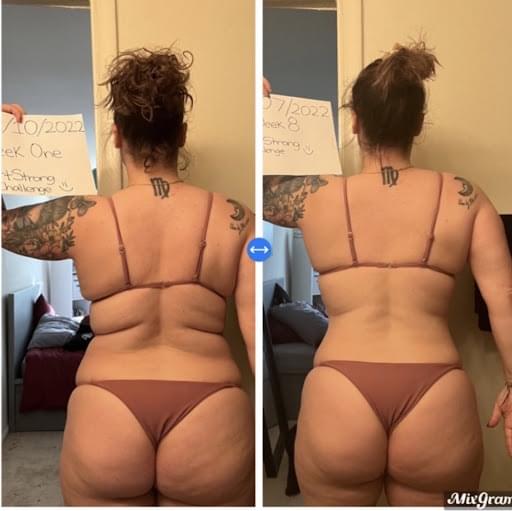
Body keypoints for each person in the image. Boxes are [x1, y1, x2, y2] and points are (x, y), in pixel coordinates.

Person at [2, 47, 255, 506]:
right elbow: (254, 333)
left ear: (116, 136)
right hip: (210, 407)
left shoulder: (80, 218)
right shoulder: (238, 220)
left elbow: (3, 228)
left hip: (108, 407)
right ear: (182, 133)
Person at [263, 41, 512, 505]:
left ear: (354, 121)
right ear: (419, 123)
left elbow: (260, 193)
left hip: (340, 388)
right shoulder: (465, 197)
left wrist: (264, 115)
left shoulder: (313, 197)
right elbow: (505, 301)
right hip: (435, 390)